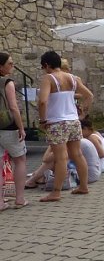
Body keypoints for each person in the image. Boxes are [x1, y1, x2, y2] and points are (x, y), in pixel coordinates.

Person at [36, 50, 93, 201]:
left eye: (43, 67)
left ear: (46, 65)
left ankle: (56, 192)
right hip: (73, 120)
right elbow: (89, 95)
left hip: (56, 122)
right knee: (77, 154)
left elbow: (43, 101)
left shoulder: (49, 78)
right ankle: (84, 186)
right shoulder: (73, 78)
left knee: (61, 158)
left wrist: (42, 120)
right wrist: (82, 113)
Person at [0, 52, 28, 209]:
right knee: (20, 160)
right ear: (1, 66)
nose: (13, 65)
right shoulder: (7, 83)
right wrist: (21, 127)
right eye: (9, 63)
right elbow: (13, 107)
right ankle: (20, 199)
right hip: (8, 127)